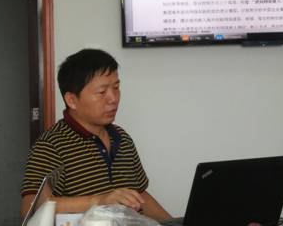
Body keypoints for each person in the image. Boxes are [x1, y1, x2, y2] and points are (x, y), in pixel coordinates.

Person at [20, 48, 171, 221]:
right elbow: (31, 208)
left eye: (116, 88)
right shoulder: (52, 145)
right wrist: (98, 201)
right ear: (71, 100)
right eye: (102, 92)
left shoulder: (122, 138)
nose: (113, 98)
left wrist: (173, 222)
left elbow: (139, 195)